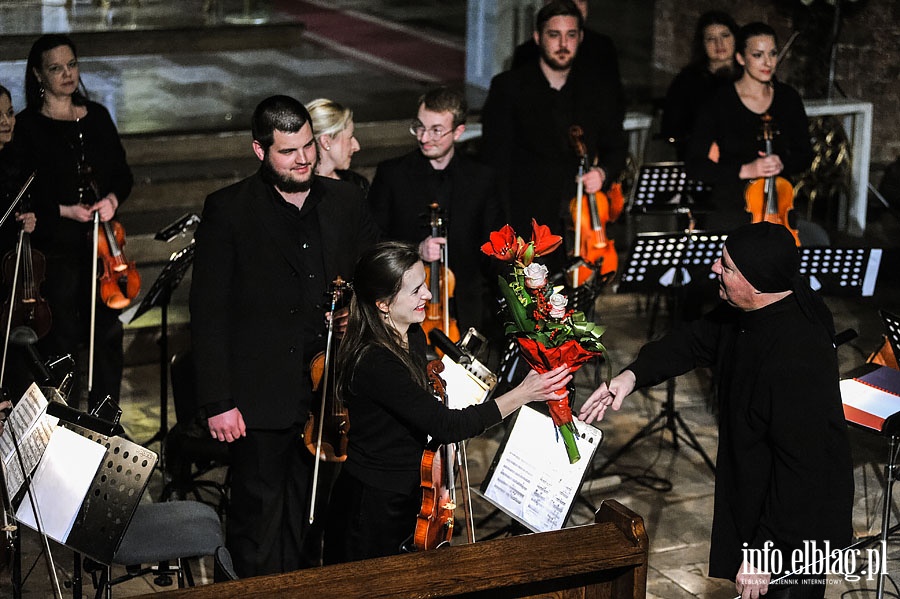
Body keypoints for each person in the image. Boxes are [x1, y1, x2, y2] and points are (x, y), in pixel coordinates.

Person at [579, 222, 853, 599]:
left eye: (726, 266)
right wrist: (630, 377)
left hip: (797, 521)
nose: (713, 269)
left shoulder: (797, 355)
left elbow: (802, 469)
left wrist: (764, 553)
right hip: (761, 485)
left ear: (756, 282)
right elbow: (693, 341)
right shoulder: (750, 309)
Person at [189, 94, 380, 577]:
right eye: (288, 151)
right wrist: (217, 401)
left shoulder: (346, 200)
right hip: (257, 400)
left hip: (328, 394)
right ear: (259, 151)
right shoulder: (228, 211)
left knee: (312, 524)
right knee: (256, 524)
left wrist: (354, 311)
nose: (303, 159)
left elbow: (374, 279)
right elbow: (208, 313)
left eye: (308, 146)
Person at [322, 241, 571, 564]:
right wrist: (522, 393)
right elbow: (447, 425)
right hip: (372, 508)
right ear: (383, 304)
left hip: (409, 492)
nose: (428, 295)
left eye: (425, 284)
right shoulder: (374, 361)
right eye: (415, 291)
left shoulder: (412, 334)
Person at [14, 34, 133, 409]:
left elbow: (122, 174)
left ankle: (106, 415)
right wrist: (65, 211)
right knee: (61, 336)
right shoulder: (27, 127)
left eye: (72, 65)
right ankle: (62, 420)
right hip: (58, 246)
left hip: (102, 246)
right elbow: (24, 191)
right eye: (55, 68)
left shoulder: (95, 115)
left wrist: (112, 200)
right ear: (38, 75)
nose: (67, 74)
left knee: (109, 333)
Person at [481, 0, 627, 273]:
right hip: (527, 221)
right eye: (554, 35)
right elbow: (494, 164)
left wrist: (603, 173)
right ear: (538, 38)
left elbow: (617, 146)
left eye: (571, 35)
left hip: (579, 226)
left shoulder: (597, 90)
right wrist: (504, 231)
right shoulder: (508, 88)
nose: (563, 43)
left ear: (580, 38)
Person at [368, 86, 502, 333]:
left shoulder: (482, 178)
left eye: (436, 130)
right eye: (419, 127)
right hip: (404, 310)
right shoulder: (392, 174)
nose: (423, 137)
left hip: (466, 310)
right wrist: (415, 249)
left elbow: (492, 247)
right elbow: (373, 241)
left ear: (459, 131)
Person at [684, 22, 814, 237]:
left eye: (772, 53)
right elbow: (695, 165)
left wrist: (782, 163)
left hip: (779, 208)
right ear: (741, 58)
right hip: (731, 207)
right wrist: (745, 170)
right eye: (758, 55)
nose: (768, 62)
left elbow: (805, 155)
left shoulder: (787, 98)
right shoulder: (719, 102)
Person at [510, 0, 625, 126]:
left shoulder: (602, 48)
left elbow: (614, 104)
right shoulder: (526, 53)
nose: (575, 6)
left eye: (581, 1)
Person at [661, 10, 740, 160]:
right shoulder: (687, 81)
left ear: (736, 38)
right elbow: (672, 130)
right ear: (702, 44)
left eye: (725, 35)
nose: (719, 44)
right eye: (711, 39)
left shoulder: (749, 76)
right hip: (701, 160)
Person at [305, 97, 369, 197]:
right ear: (326, 142)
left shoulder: (357, 184)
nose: (356, 146)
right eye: (350, 137)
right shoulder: (298, 192)